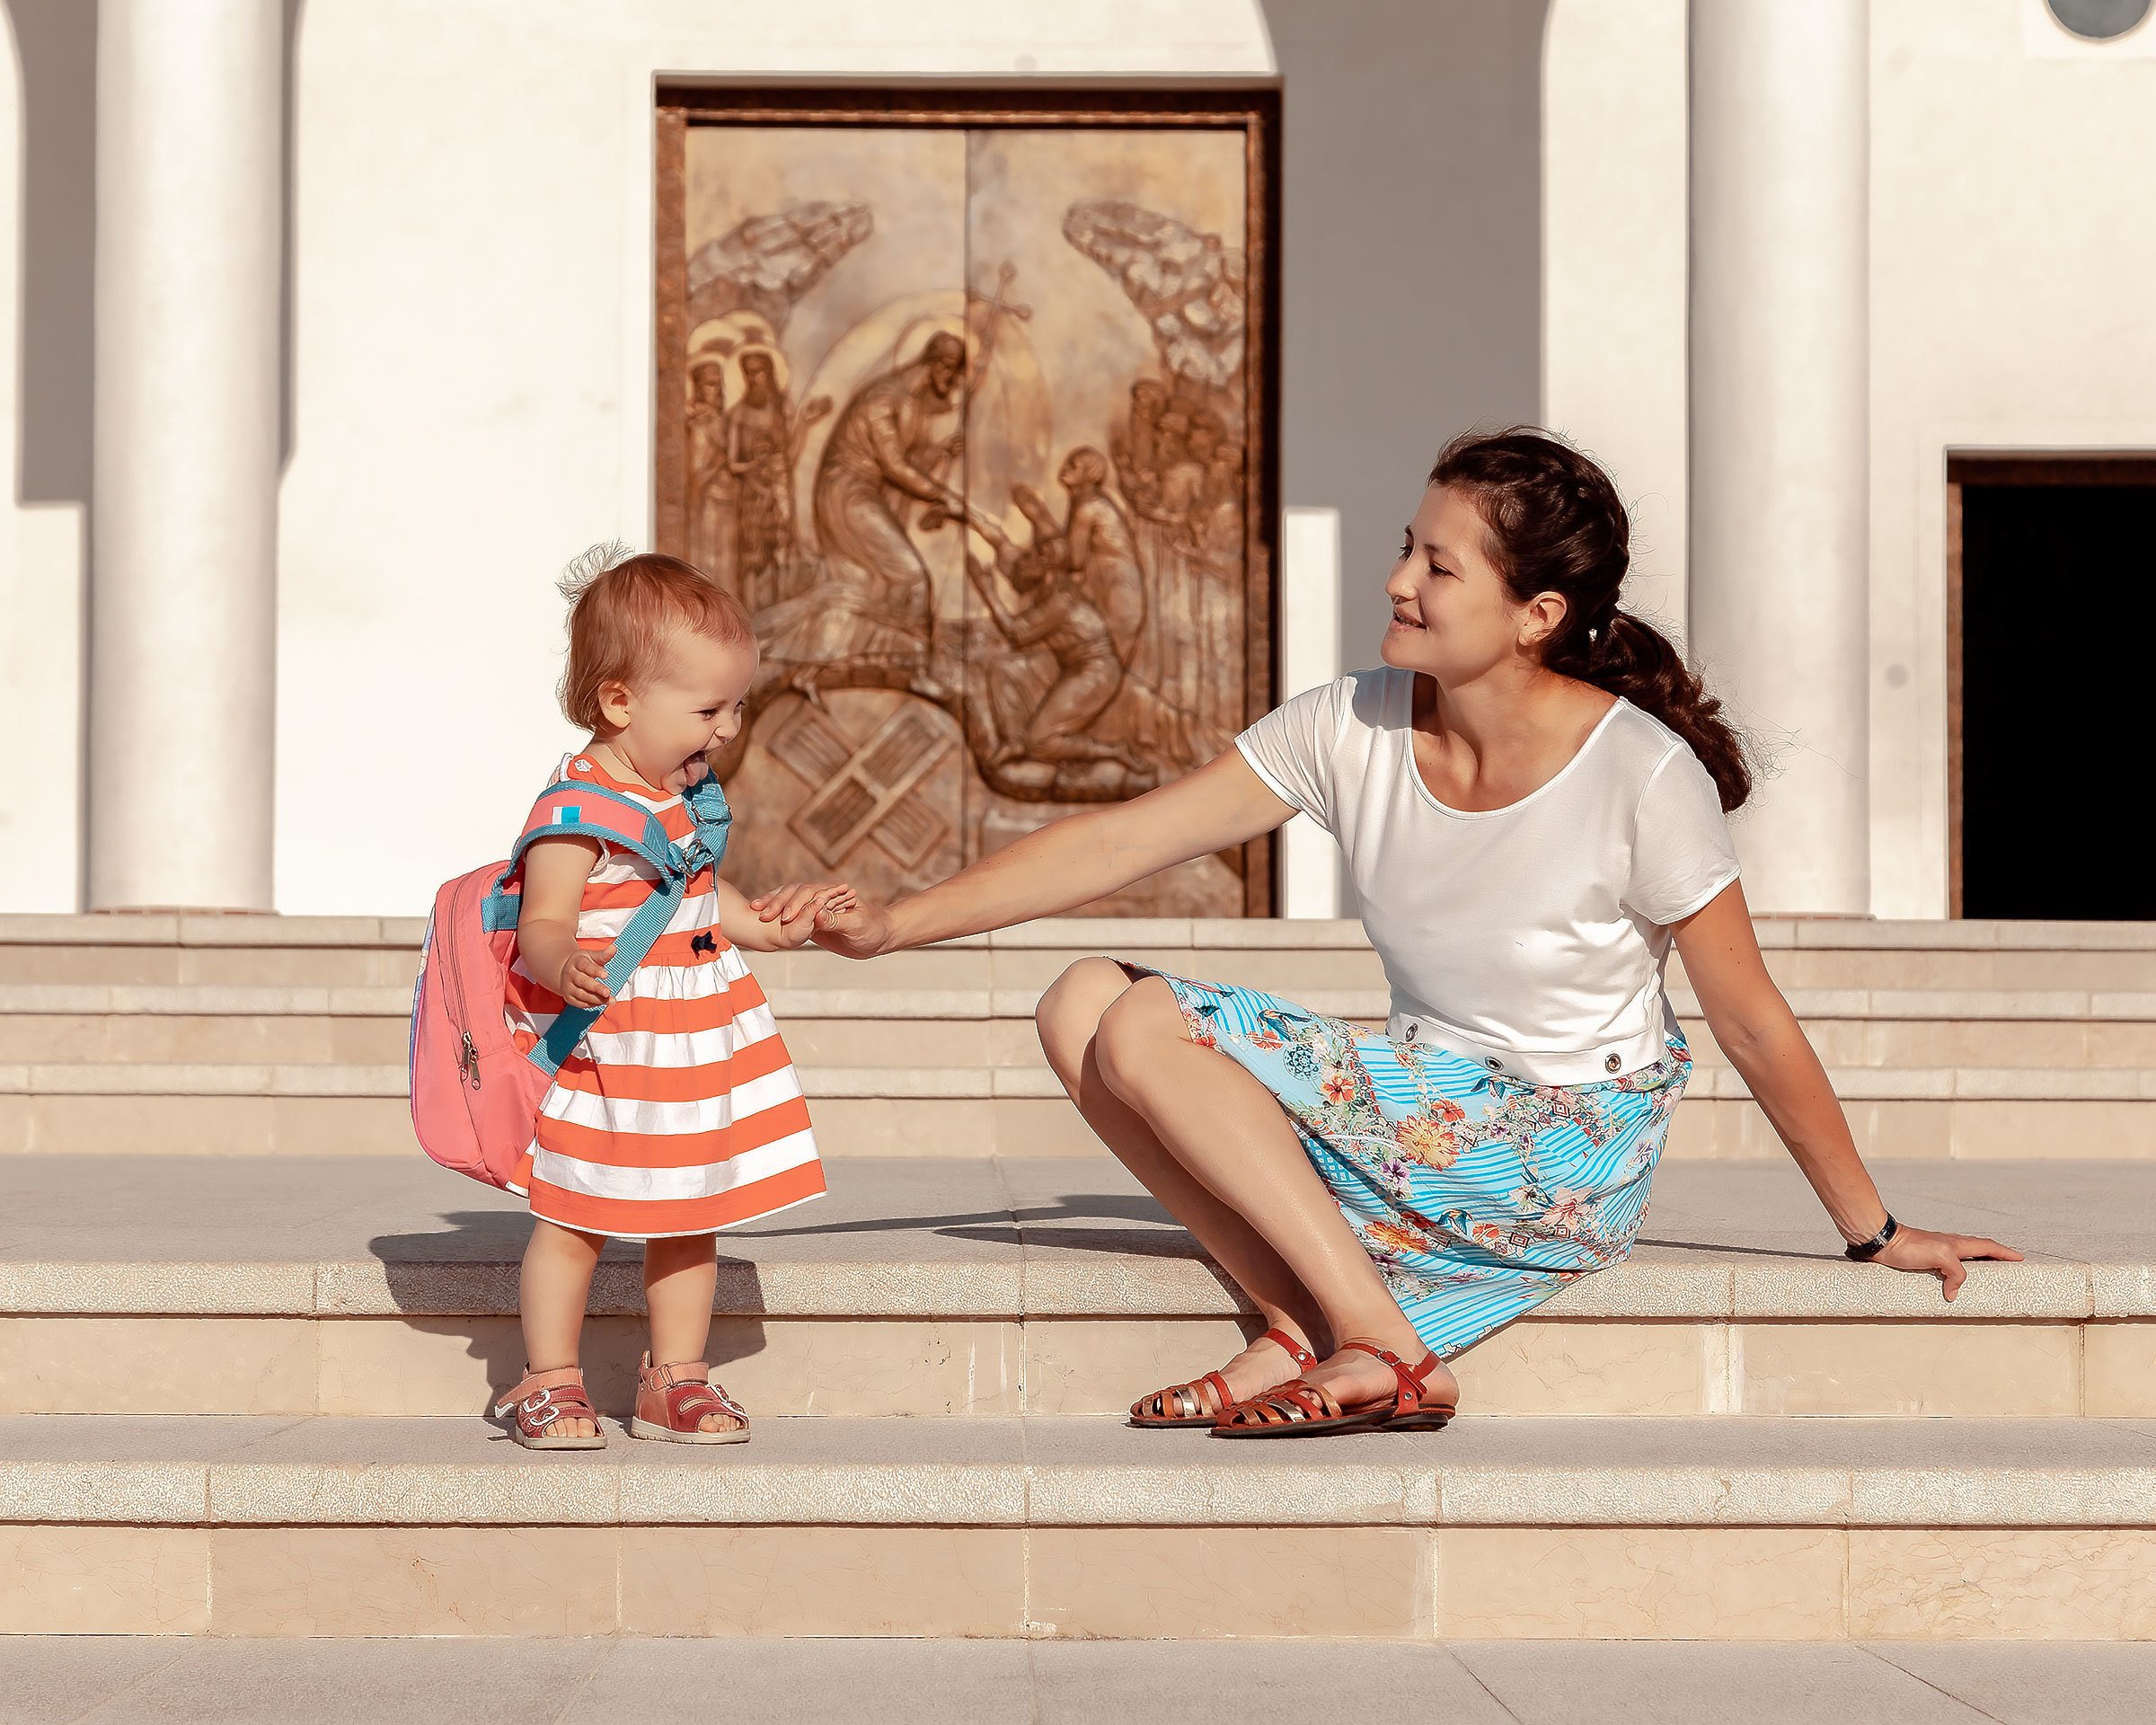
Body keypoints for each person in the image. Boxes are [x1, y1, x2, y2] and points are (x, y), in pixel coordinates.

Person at [801, 428, 2020, 1438]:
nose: (1401, 582)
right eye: (1407, 550)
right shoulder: (1354, 726)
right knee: (1080, 1000)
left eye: (1440, 566)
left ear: (1537, 611)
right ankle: (1297, 1324)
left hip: (1564, 1147)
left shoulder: (1640, 774)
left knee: (1150, 1016)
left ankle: (1380, 1345)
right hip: (1431, 1114)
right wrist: (901, 924)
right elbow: (1119, 841)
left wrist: (1874, 1232)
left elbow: (1749, 1018)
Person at [493, 549, 857, 1450]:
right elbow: (543, 919)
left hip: (694, 1036)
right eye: (708, 709)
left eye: (734, 706)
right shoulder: (577, 810)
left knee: (693, 1213)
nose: (728, 728)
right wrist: (559, 964)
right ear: (621, 702)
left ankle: (676, 1380)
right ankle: (548, 1380)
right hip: (611, 1042)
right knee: (573, 1214)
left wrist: (764, 926)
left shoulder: (680, 795)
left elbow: (694, 891)